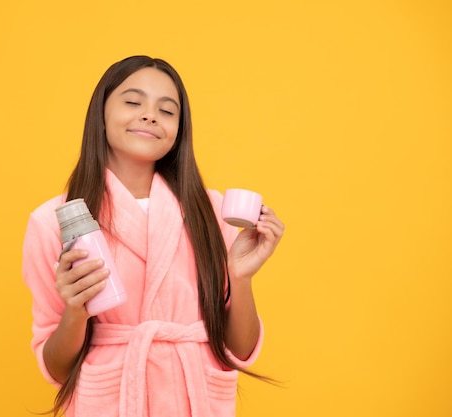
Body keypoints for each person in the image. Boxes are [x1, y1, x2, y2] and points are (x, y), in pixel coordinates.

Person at [22, 55, 284, 417]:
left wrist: (240, 278)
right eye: (132, 102)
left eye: (167, 110)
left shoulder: (212, 210)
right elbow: (57, 369)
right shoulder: (51, 223)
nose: (149, 115)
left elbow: (238, 350)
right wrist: (75, 311)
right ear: (100, 114)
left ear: (180, 129)